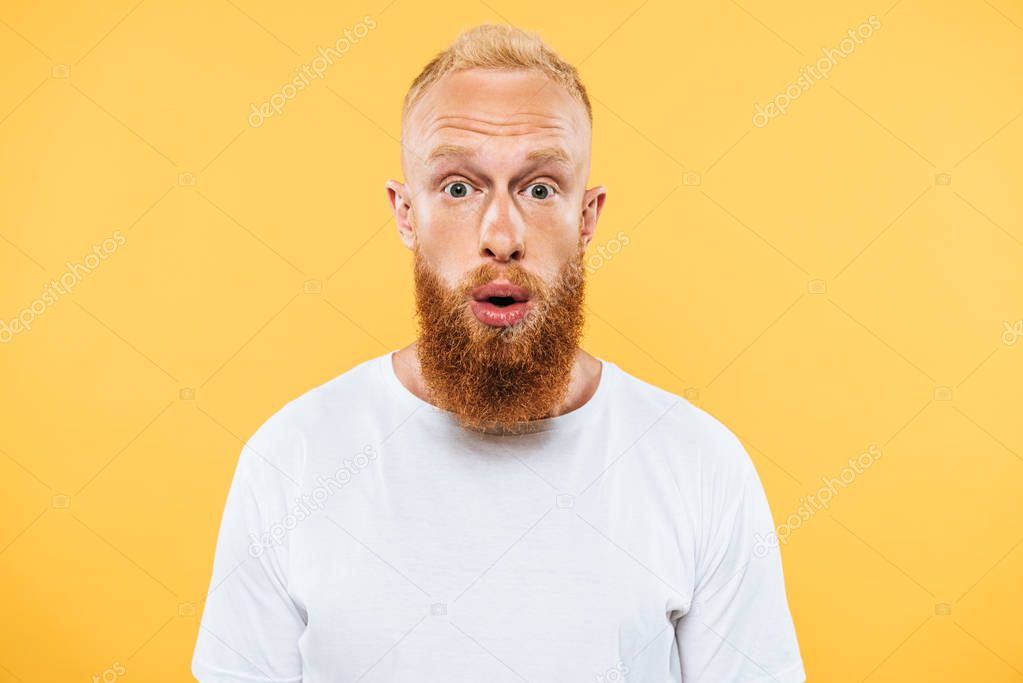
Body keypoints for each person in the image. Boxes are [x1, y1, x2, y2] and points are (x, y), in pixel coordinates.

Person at [192, 23, 805, 683]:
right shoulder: (291, 461)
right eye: (459, 187)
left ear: (586, 217)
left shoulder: (700, 466)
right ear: (405, 212)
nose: (501, 235)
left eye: (539, 188)